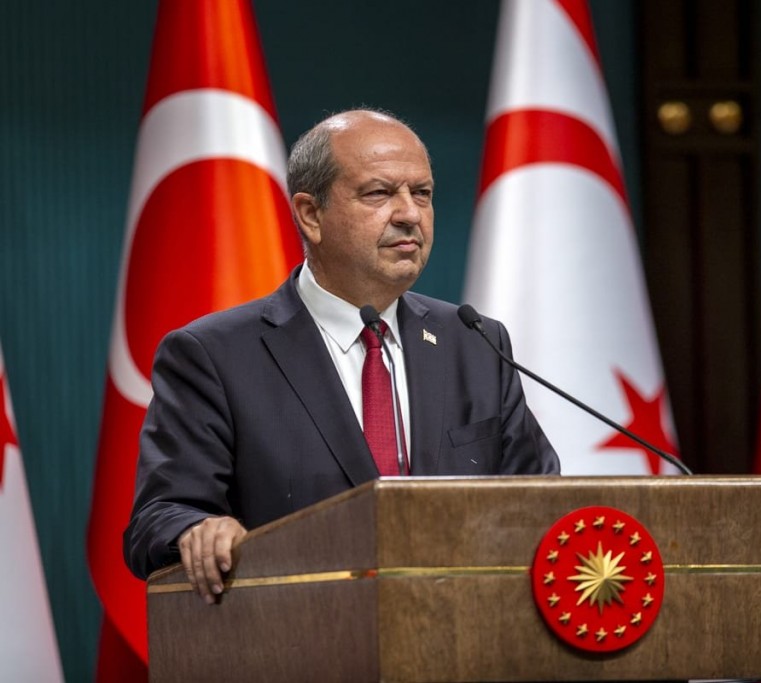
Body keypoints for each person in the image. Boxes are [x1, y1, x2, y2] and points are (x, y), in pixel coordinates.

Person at [123, 109, 559, 603]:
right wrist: (199, 529)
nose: (410, 214)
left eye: (422, 193)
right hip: (298, 631)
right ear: (311, 215)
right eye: (379, 193)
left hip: (461, 628)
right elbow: (158, 517)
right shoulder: (214, 356)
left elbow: (541, 502)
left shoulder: (475, 342)